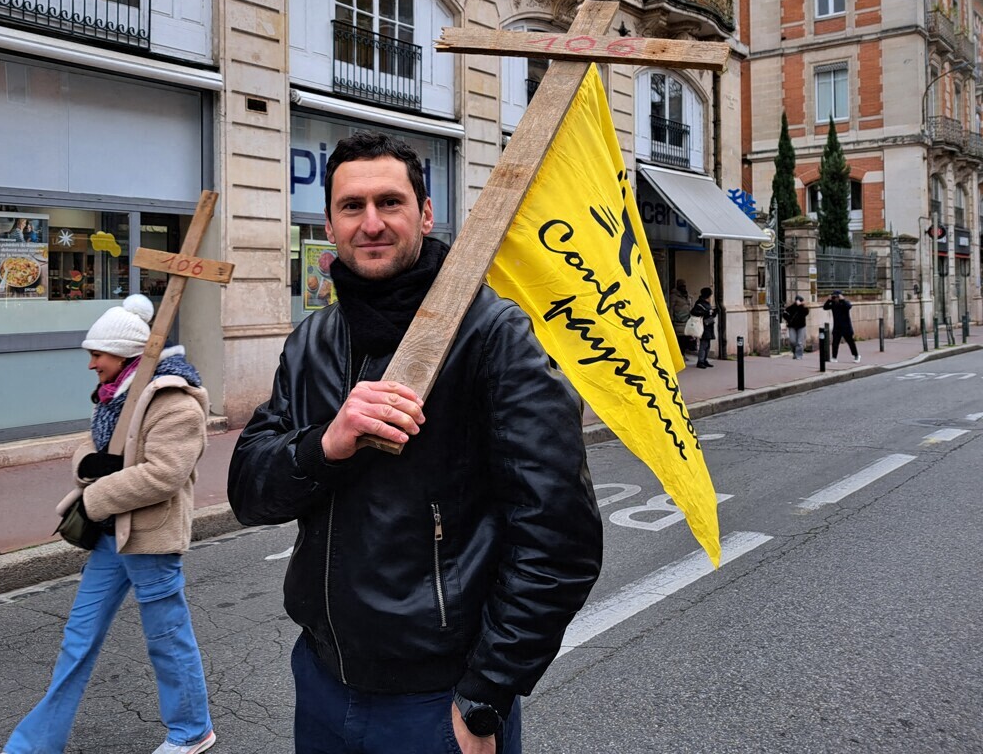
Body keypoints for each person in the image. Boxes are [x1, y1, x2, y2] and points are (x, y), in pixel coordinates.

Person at [227, 131, 602, 754]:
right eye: (352, 206)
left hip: (437, 702)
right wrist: (326, 445)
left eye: (390, 202)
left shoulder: (493, 334)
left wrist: (485, 696)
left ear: (425, 214)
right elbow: (248, 490)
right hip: (321, 682)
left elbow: (559, 534)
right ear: (330, 225)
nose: (371, 222)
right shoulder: (312, 341)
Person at [0, 295, 216, 754]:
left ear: (123, 353)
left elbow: (165, 474)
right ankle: (35, 746)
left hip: (150, 539)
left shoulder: (175, 400)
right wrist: (89, 465)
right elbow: (91, 444)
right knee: (77, 639)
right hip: (110, 537)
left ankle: (192, 731)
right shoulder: (116, 395)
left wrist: (94, 496)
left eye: (97, 354)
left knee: (167, 639)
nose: (91, 363)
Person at [823, 289, 860, 362]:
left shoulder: (845, 303)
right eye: (834, 297)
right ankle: (834, 357)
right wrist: (828, 300)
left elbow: (849, 306)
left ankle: (856, 355)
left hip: (846, 327)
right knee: (835, 343)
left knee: (850, 342)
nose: (835, 298)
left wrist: (843, 300)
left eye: (836, 297)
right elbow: (825, 307)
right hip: (837, 327)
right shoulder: (833, 303)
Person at [690, 287, 716, 368]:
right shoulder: (700, 303)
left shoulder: (706, 303)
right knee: (703, 344)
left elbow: (710, 314)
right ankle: (700, 361)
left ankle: (704, 360)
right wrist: (706, 313)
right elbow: (694, 312)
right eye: (710, 296)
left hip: (709, 325)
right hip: (703, 326)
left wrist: (714, 313)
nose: (710, 297)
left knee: (707, 345)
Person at [669, 279, 693, 352]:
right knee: (680, 339)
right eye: (682, 285)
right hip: (678, 320)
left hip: (686, 319)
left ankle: (683, 353)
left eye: (684, 285)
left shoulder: (686, 295)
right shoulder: (674, 296)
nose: (684, 287)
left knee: (685, 339)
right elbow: (671, 308)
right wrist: (671, 319)